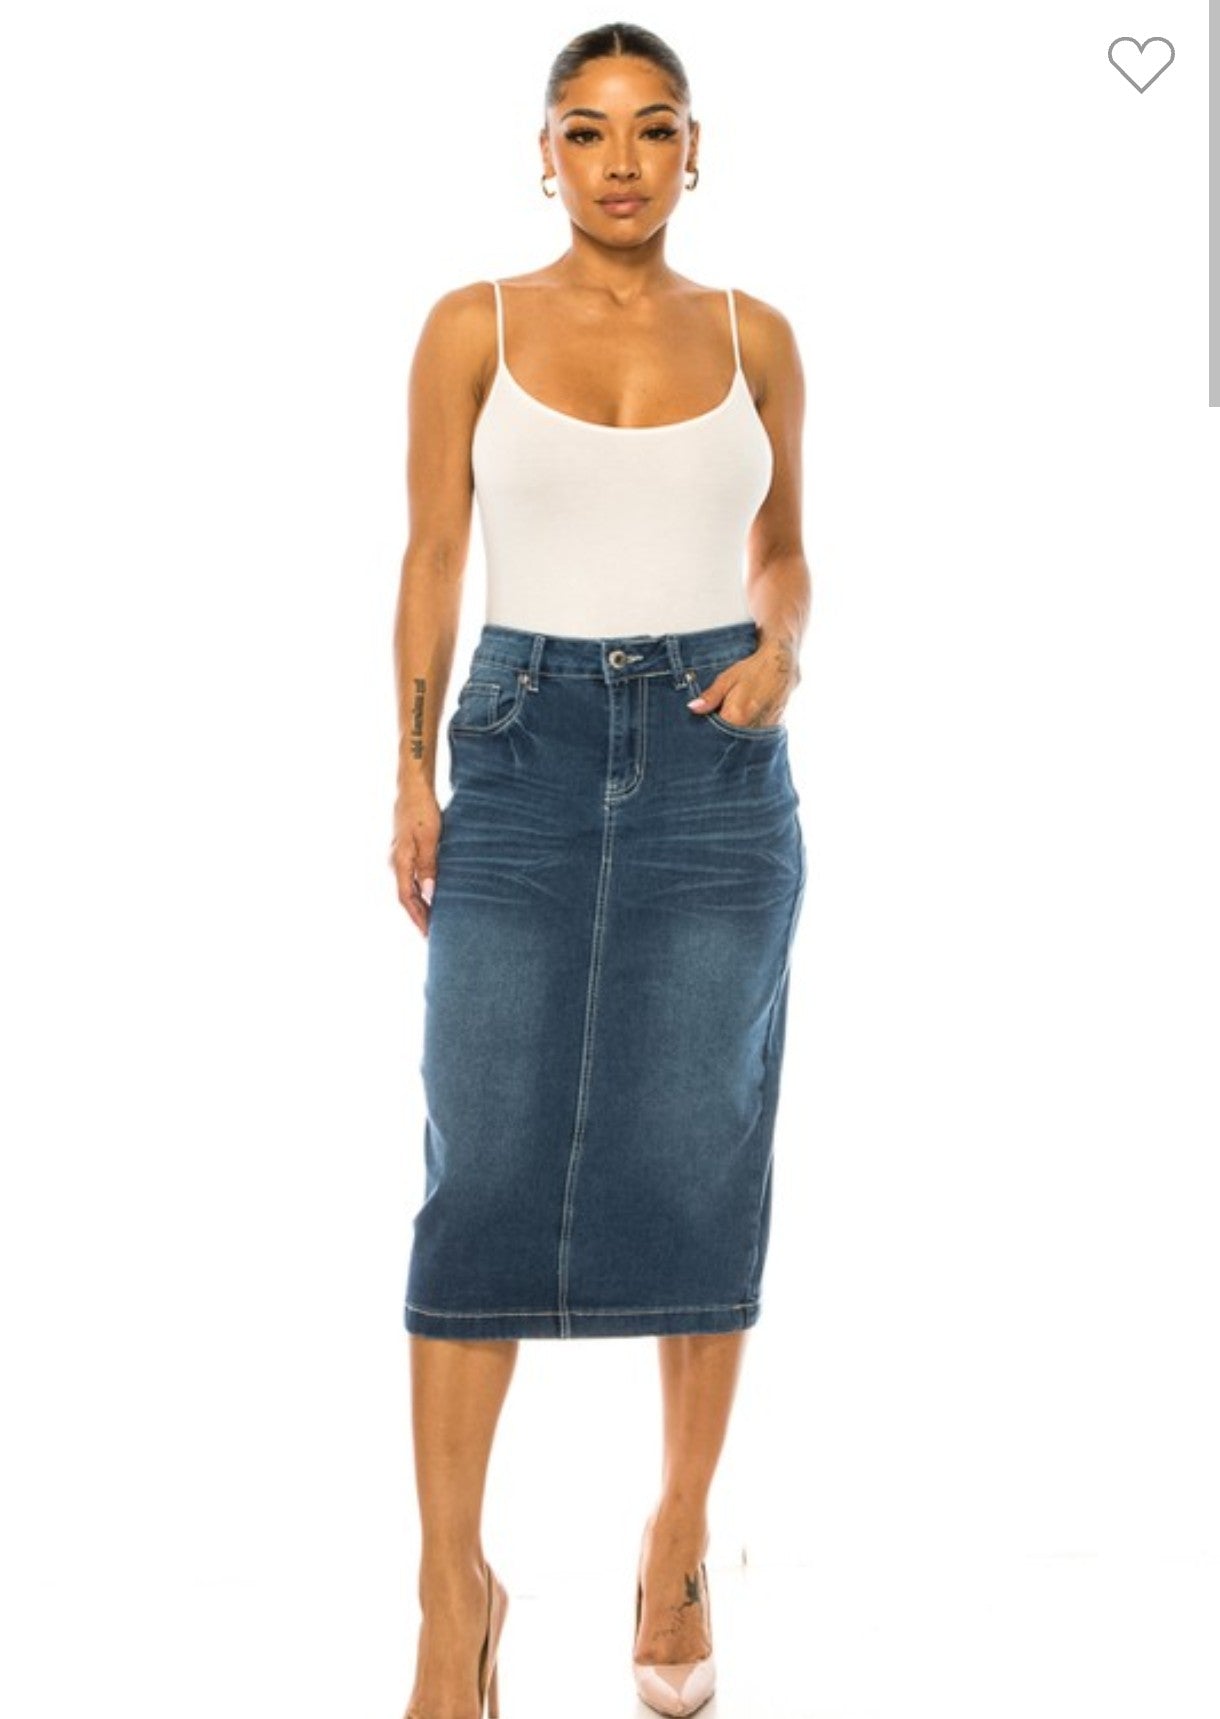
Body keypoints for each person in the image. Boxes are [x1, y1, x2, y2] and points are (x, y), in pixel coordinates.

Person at [388, 22, 812, 1719]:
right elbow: (432, 552)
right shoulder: (470, 325)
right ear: (543, 153)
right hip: (519, 745)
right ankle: (454, 1596)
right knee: (480, 1163)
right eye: (585, 129)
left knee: (699, 1158)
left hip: (716, 764)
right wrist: (410, 768)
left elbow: (785, 548)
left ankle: (679, 1538)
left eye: (652, 128)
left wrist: (782, 647)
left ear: (696, 150)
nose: (619, 160)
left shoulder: (756, 334)